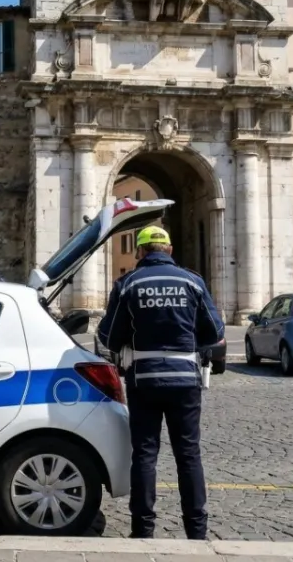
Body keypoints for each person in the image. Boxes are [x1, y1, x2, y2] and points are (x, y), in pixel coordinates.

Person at [97, 225, 223, 541]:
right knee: (189, 454)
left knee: (144, 454)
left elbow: (108, 336)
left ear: (140, 252)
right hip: (185, 380)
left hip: (144, 380)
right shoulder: (193, 282)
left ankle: (142, 530)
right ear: (168, 249)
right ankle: (196, 531)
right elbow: (215, 332)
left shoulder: (127, 284)